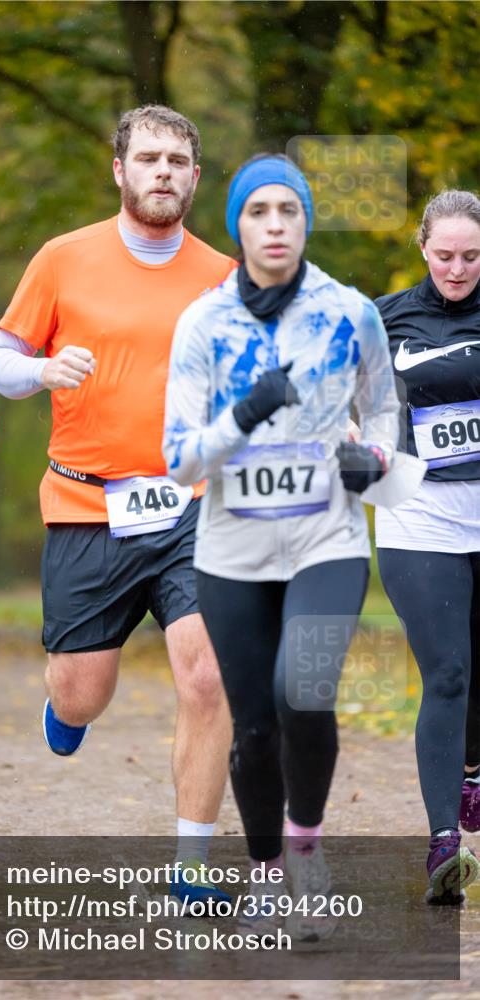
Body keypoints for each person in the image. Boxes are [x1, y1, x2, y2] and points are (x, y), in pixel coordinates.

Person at [0, 105, 234, 910]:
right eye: (149, 158)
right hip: (87, 506)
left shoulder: (225, 277)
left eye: (177, 161)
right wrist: (40, 372)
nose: (163, 172)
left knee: (208, 676)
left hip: (193, 506)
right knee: (81, 692)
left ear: (194, 177)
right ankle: (67, 709)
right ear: (119, 170)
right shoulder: (63, 258)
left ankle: (191, 866)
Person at [163, 153, 401, 938]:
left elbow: (384, 407)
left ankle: (305, 852)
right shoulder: (202, 324)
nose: (274, 225)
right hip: (231, 552)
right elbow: (179, 459)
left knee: (303, 691)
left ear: (305, 222)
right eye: (257, 211)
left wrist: (375, 458)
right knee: (255, 726)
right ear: (237, 226)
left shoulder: (349, 312)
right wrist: (243, 414)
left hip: (325, 539)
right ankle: (265, 870)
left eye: (287, 211)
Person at [375, 189, 480, 904]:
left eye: (471, 256)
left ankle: (471, 766)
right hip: (420, 514)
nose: (457, 269)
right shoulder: (383, 319)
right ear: (422, 248)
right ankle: (443, 843)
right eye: (444, 255)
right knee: (447, 672)